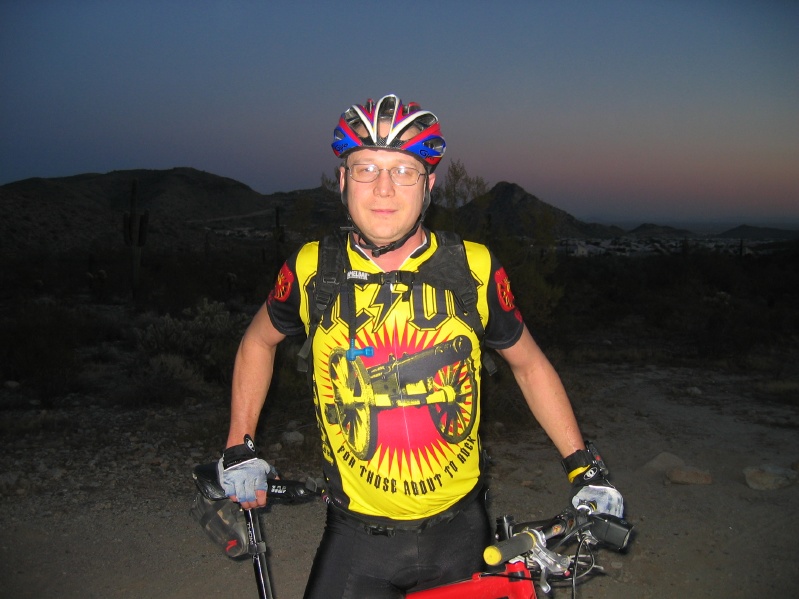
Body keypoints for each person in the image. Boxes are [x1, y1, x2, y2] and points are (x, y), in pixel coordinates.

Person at [218, 94, 624, 598]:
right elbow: (258, 341)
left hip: (461, 533)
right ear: (343, 181)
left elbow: (530, 366)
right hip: (355, 538)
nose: (383, 188)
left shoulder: (470, 267)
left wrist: (585, 469)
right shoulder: (312, 269)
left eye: (404, 171)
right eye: (366, 168)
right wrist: (240, 447)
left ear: (428, 184)